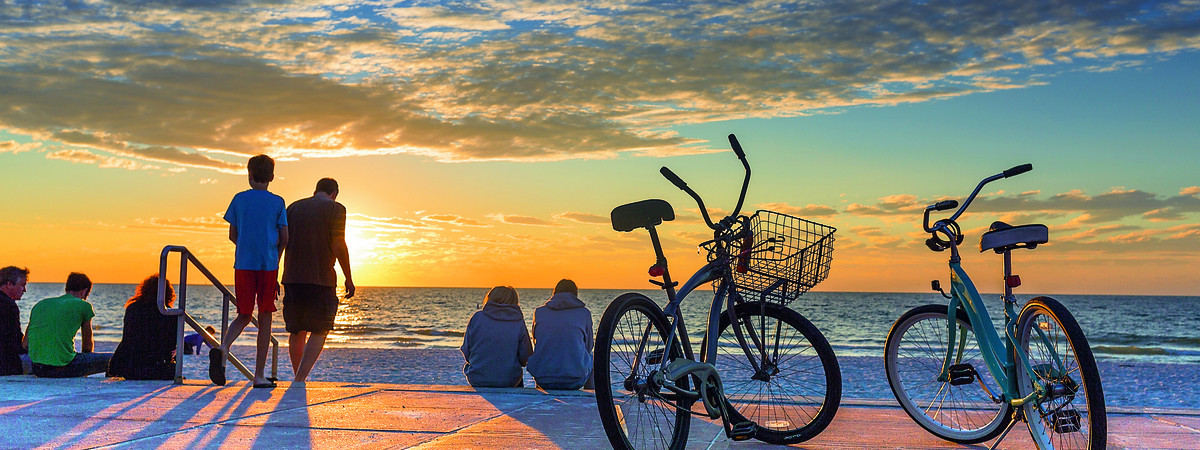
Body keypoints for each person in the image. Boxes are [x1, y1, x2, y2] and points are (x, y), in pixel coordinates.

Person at [217, 154, 288, 388]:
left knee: (244, 315)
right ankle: (258, 375)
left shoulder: (239, 199)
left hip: (243, 264)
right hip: (267, 265)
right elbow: (284, 238)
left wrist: (246, 247)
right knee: (265, 315)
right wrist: (274, 259)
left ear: (249, 175)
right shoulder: (278, 202)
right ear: (272, 177)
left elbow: (232, 234)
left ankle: (223, 347)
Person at [282, 178, 354, 383]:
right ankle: (300, 378)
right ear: (334, 194)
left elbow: (283, 240)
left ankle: (298, 376)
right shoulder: (336, 209)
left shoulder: (293, 208)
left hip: (292, 277)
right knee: (320, 328)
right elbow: (339, 243)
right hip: (321, 277)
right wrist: (348, 277)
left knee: (297, 329)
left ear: (315, 191)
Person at [25, 272, 111, 378]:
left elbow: (25, 343)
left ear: (66, 289)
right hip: (63, 368)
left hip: (38, 368)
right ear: (84, 292)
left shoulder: (40, 304)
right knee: (112, 359)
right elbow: (87, 346)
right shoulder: (84, 305)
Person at [526, 279, 594, 390]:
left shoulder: (539, 312)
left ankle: (539, 390)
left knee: (543, 355)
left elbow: (536, 340)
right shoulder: (584, 313)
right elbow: (589, 346)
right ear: (575, 294)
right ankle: (589, 395)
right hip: (575, 379)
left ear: (555, 292)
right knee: (592, 359)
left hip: (543, 378)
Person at [107, 275, 178, 380]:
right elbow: (170, 347)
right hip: (156, 367)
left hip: (131, 367)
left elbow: (127, 340)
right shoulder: (170, 314)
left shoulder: (133, 308)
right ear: (168, 293)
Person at [460, 286, 532, 388]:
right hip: (508, 380)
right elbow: (525, 356)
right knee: (516, 377)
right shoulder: (517, 321)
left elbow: (467, 351)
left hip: (477, 378)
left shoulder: (477, 318)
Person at [0, 266, 30, 376]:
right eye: (22, 285)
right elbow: (15, 340)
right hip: (5, 366)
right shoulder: (8, 305)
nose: (25, 290)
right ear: (9, 284)